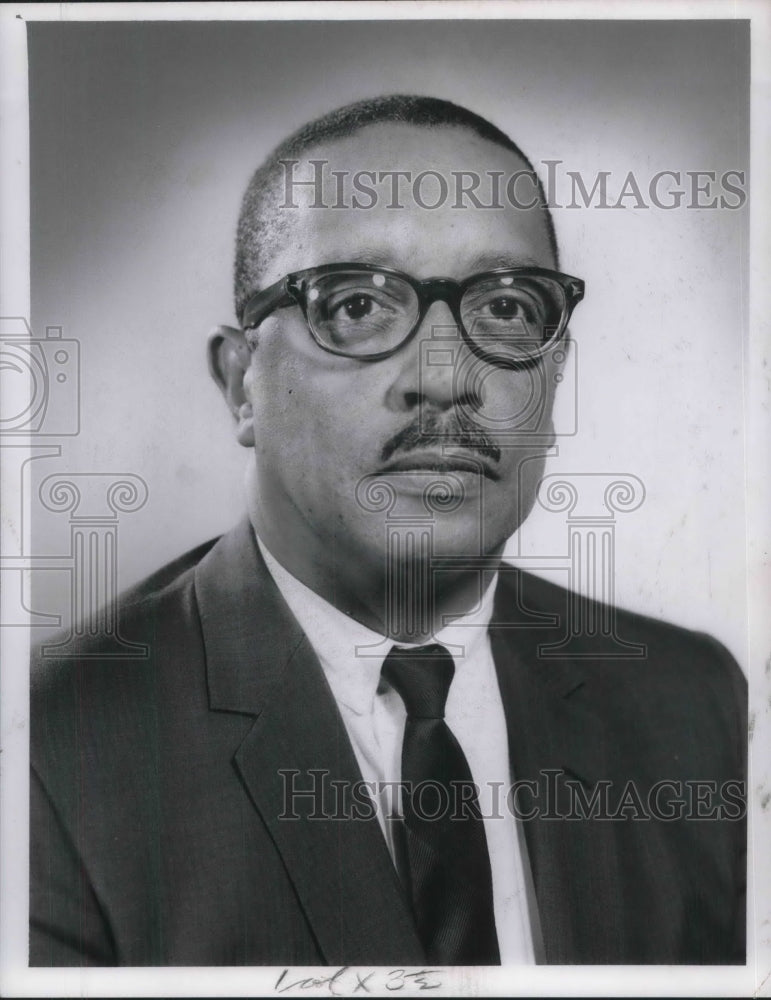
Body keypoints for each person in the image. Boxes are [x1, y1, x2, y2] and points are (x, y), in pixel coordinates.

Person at [30, 95, 746, 967]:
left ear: (556, 368)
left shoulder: (691, 702)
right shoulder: (48, 752)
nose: (445, 380)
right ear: (240, 384)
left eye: (507, 308)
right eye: (359, 305)